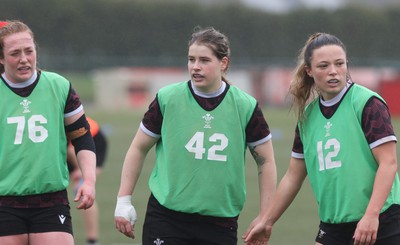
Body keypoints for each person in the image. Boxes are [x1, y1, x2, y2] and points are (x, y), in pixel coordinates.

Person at [114, 26, 277, 244]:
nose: (195, 67)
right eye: (191, 59)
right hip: (166, 217)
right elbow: (138, 147)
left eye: (204, 60)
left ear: (223, 63)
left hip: (220, 223)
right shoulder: (167, 99)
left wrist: (265, 216)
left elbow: (266, 162)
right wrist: (123, 200)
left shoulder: (245, 106)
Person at [243, 32, 400, 245]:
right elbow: (293, 176)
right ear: (309, 71)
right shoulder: (307, 117)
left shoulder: (368, 104)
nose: (333, 72)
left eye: (339, 64)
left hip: (379, 220)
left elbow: (389, 163)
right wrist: (267, 220)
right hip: (333, 224)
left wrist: (371, 215)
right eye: (323, 66)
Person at [0, 20, 96, 245]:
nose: (24, 59)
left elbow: (82, 137)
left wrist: (88, 181)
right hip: (3, 203)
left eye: (29, 51)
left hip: (51, 202)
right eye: (15, 53)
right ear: (2, 58)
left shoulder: (59, 86)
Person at [67, 117, 108, 245]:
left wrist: (81, 171)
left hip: (93, 139)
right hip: (73, 145)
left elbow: (71, 149)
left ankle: (93, 240)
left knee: (82, 190)